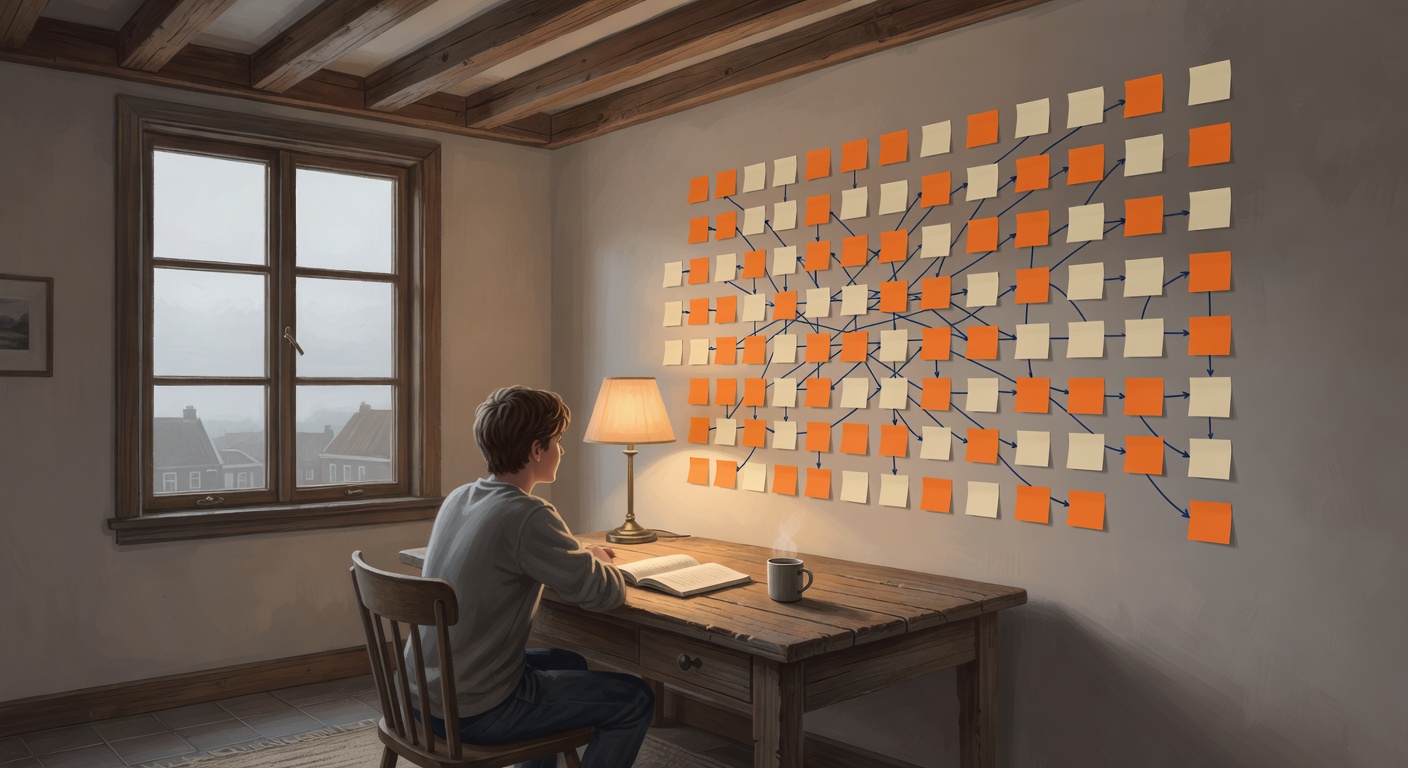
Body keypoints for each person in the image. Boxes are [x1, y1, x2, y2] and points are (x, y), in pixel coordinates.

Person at [409, 385, 655, 768]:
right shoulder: (528, 514)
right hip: (473, 710)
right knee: (636, 698)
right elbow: (604, 593)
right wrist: (599, 561)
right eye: (558, 441)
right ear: (537, 450)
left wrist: (577, 555)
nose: (562, 450)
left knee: (570, 663)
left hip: (423, 695)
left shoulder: (461, 497)